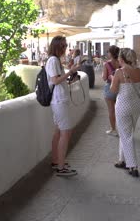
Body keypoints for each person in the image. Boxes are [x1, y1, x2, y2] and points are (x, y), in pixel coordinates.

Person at [46, 36, 80, 177]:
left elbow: (58, 80)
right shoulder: (53, 60)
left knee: (59, 132)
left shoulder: (55, 60)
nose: (66, 48)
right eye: (64, 46)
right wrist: (70, 72)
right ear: (58, 47)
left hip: (59, 100)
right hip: (59, 101)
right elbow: (55, 80)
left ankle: (56, 161)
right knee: (66, 133)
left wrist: (69, 77)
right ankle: (60, 167)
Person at [110, 48, 140, 177]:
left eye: (118, 57)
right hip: (136, 105)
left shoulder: (119, 72)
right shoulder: (138, 71)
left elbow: (113, 90)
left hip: (123, 105)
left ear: (121, 59)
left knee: (126, 136)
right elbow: (139, 87)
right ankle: (122, 160)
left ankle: (132, 166)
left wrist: (112, 78)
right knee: (126, 133)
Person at [102, 45, 120, 136]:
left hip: (109, 87)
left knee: (111, 110)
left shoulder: (107, 64)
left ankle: (113, 129)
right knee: (119, 110)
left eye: (108, 52)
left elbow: (104, 78)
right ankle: (121, 128)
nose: (107, 53)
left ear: (111, 53)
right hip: (120, 88)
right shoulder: (121, 63)